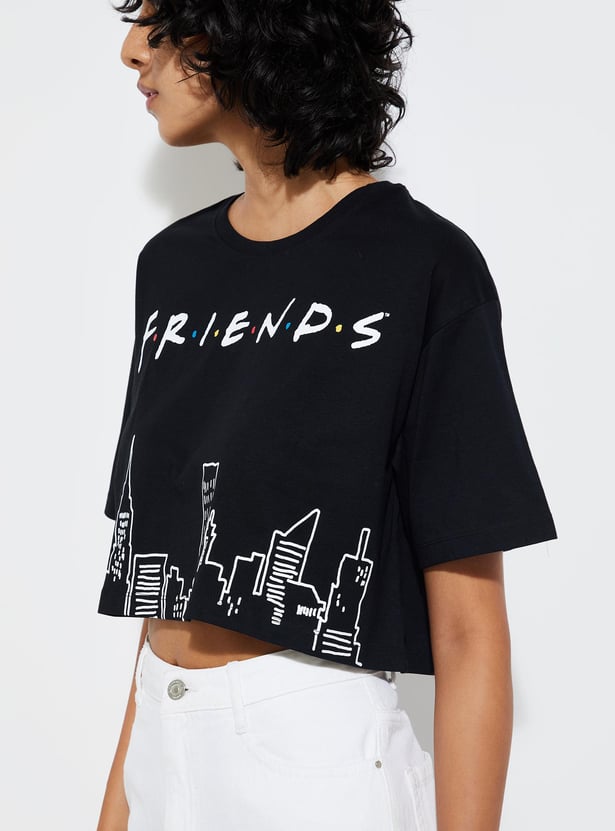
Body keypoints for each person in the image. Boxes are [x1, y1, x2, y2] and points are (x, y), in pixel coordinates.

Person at [96, 2, 558, 830]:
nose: (133, 50)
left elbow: (466, 628)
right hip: (161, 737)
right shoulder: (170, 268)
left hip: (309, 756)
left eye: (163, 21)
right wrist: (120, 806)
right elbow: (170, 570)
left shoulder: (420, 264)